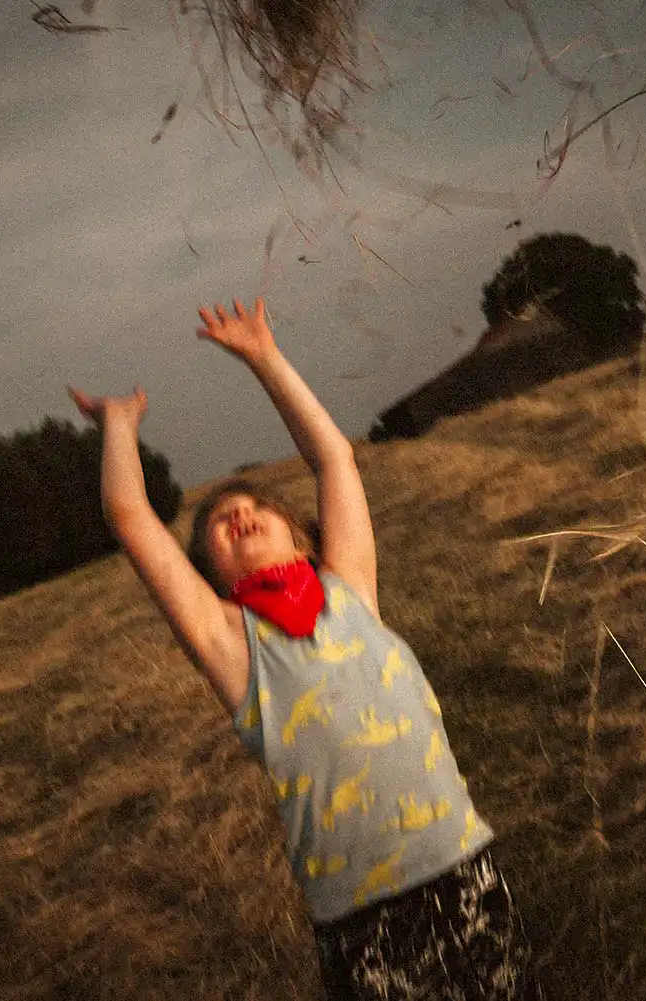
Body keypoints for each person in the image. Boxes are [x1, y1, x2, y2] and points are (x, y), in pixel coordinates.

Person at [68, 297, 538, 1000]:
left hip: (465, 866)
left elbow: (332, 456)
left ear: (303, 537)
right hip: (361, 919)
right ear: (211, 576)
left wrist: (265, 357)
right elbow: (132, 518)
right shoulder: (230, 641)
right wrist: (119, 425)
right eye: (219, 525)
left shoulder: (350, 588)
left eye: (256, 508)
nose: (238, 515)